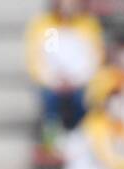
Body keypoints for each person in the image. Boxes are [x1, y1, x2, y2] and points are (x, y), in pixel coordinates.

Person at [25, 0, 105, 149]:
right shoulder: (50, 27)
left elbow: (94, 59)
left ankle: (83, 136)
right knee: (49, 98)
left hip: (81, 82)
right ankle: (52, 139)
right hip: (54, 83)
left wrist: (76, 80)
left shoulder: (87, 25)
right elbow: (46, 58)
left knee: (85, 98)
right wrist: (55, 80)